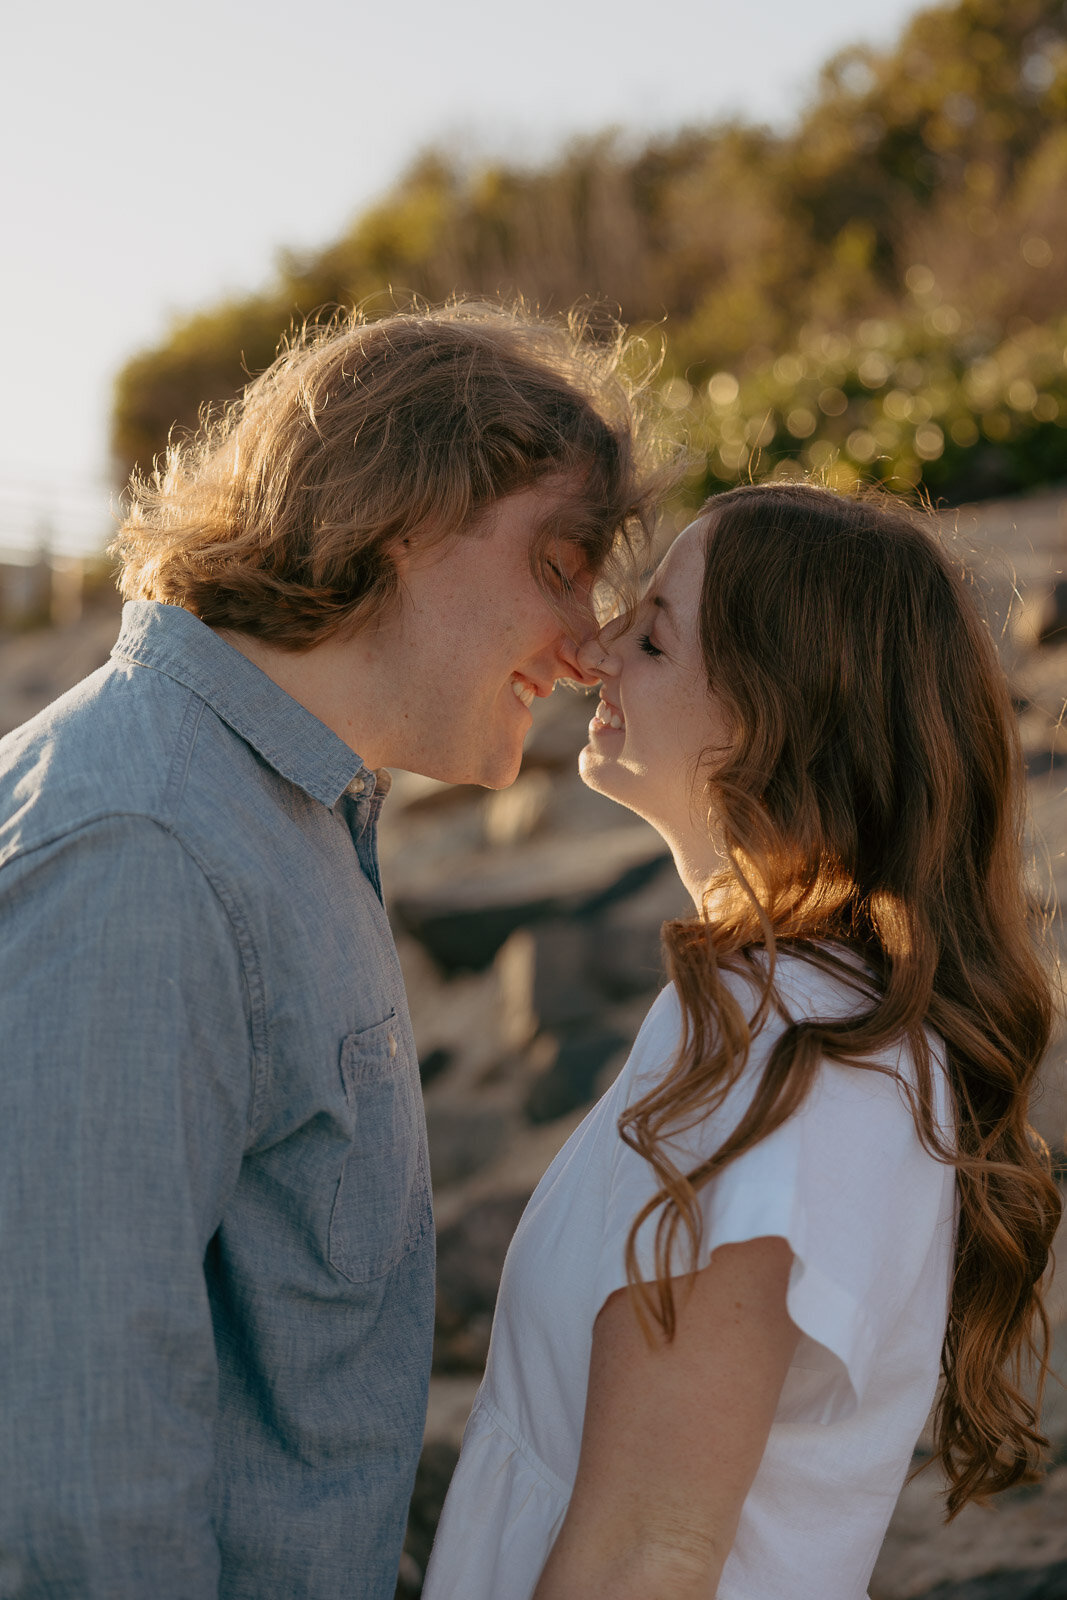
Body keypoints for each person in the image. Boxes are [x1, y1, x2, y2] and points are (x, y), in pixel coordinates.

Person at [0, 303, 659, 1598]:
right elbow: (82, 1486)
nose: (585, 643)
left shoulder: (279, 807)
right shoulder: (143, 849)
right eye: (559, 560)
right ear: (403, 516)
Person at [423, 480, 1062, 1600]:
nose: (594, 650)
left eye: (654, 636)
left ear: (775, 725)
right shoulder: (783, 1018)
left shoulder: (792, 1052)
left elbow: (646, 1559)